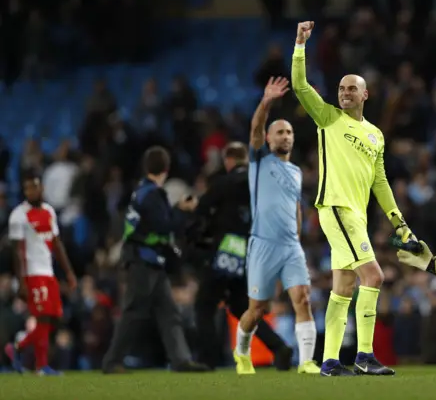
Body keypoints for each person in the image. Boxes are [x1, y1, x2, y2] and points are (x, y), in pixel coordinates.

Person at [291, 21, 436, 377]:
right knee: (374, 276)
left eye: (351, 89)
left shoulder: (375, 135)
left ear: (365, 95)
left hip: (356, 215)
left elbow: (381, 182)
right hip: (336, 207)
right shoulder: (328, 117)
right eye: (342, 88)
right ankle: (364, 355)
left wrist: (398, 221)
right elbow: (299, 86)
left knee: (343, 287)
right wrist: (300, 45)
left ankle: (329, 361)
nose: (344, 92)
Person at [233, 76, 321, 375]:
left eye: (289, 132)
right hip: (262, 244)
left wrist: (296, 239)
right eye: (280, 132)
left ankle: (307, 361)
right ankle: (241, 352)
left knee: (303, 299)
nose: (285, 136)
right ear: (269, 139)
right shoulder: (259, 160)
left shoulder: (296, 172)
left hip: (290, 247)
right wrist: (267, 101)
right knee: (257, 311)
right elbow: (255, 127)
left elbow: (295, 207)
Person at [102, 146, 208, 374]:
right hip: (143, 260)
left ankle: (181, 360)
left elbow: (154, 222)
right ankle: (112, 361)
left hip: (148, 260)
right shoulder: (152, 194)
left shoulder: (142, 192)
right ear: (166, 169)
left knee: (169, 312)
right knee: (133, 311)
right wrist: (183, 210)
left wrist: (176, 210)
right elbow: (164, 226)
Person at [190, 142, 294, 370]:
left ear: (228, 160)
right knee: (240, 306)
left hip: (227, 250)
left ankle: (208, 359)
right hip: (254, 251)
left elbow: (201, 214)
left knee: (204, 305)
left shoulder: (222, 184)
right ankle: (279, 347)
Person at [4, 173, 78, 375]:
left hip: (48, 272)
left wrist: (69, 272)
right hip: (33, 273)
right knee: (43, 317)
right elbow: (17, 251)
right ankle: (41, 366)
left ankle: (18, 347)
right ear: (24, 191)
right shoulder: (18, 215)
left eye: (34, 187)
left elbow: (57, 244)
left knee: (54, 318)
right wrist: (22, 281)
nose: (31, 191)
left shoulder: (49, 212)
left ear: (41, 188)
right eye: (27, 188)